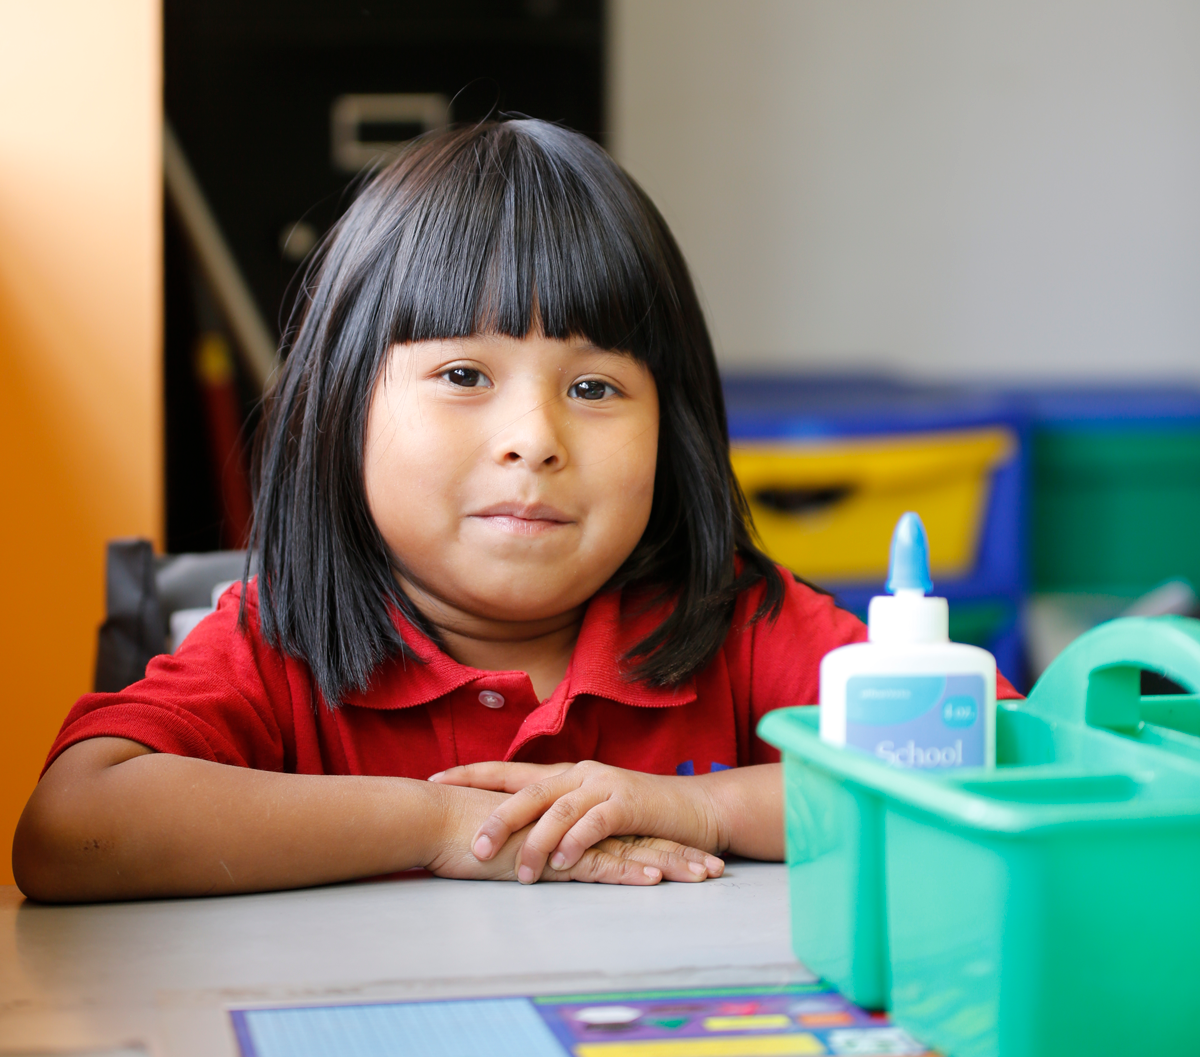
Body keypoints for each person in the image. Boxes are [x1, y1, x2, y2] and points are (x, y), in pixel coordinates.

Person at [13, 119, 1018, 903]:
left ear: (676, 432)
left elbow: (1000, 768)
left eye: (594, 389)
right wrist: (442, 826)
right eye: (462, 373)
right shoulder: (278, 639)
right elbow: (73, 828)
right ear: (341, 408)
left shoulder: (738, 624)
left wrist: (697, 807)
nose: (533, 438)